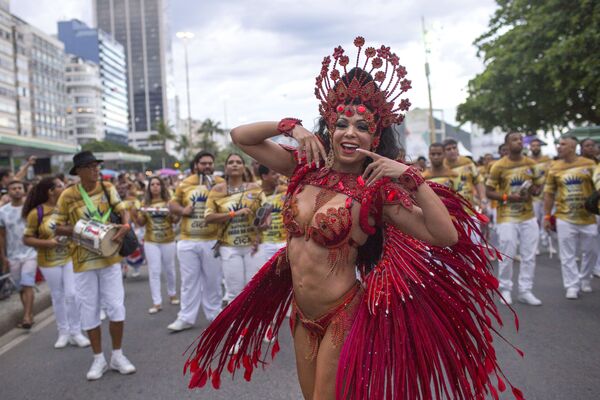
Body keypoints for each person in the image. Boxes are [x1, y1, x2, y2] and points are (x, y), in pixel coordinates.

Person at [184, 38, 522, 400]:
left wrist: (411, 178)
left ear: (375, 136)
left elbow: (444, 235)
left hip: (342, 313)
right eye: (341, 122)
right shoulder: (304, 168)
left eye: (362, 126)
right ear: (328, 126)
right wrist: (292, 127)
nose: (350, 132)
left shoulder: (375, 190)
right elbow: (241, 137)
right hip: (301, 313)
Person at [54, 151, 136, 380]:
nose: (95, 170)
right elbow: (57, 226)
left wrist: (125, 226)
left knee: (116, 307)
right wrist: (86, 231)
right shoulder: (67, 195)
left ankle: (118, 355)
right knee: (88, 310)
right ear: (78, 172)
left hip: (110, 257)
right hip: (83, 260)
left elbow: (122, 211)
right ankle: (98, 358)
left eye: (96, 166)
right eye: (90, 167)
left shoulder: (107, 188)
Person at [22, 177, 90, 348]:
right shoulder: (35, 213)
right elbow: (27, 239)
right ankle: (63, 332)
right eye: (60, 186)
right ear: (51, 191)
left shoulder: (68, 208)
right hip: (48, 261)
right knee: (57, 296)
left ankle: (76, 331)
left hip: (69, 256)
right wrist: (47, 243)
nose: (64, 187)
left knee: (72, 294)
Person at [167, 151, 224, 332]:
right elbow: (172, 204)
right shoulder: (185, 183)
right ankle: (186, 317)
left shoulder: (221, 184)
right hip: (187, 241)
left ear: (213, 165)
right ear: (197, 165)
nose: (207, 166)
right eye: (203, 163)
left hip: (212, 240)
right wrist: (183, 210)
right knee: (189, 281)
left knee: (213, 280)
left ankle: (215, 315)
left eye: (210, 163)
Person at [486, 132, 544, 306]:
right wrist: (507, 197)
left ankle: (525, 290)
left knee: (529, 255)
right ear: (507, 144)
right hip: (506, 217)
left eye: (520, 139)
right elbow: (489, 191)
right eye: (514, 140)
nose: (519, 142)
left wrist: (534, 190)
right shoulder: (498, 166)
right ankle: (505, 289)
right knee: (507, 254)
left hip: (528, 216)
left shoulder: (531, 164)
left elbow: (539, 186)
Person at [205, 154, 265, 305]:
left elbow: (266, 209)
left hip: (254, 246)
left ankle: (255, 327)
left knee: (255, 290)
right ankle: (236, 328)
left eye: (238, 162)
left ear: (244, 167)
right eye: (231, 162)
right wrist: (234, 213)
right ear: (225, 168)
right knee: (234, 292)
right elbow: (208, 217)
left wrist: (265, 223)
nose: (235, 165)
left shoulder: (254, 188)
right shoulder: (217, 190)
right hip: (229, 247)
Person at [544, 136, 597, 299]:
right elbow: (549, 193)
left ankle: (585, 279)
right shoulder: (554, 167)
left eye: (563, 144)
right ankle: (572, 285)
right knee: (567, 254)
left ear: (573, 147)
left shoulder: (589, 164)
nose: (559, 147)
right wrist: (547, 216)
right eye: (559, 144)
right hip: (564, 217)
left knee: (592, 251)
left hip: (588, 217)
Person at [130, 176, 179, 314]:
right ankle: (156, 302)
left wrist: (175, 212)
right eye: (152, 184)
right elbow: (141, 223)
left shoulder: (169, 202)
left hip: (168, 239)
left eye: (158, 184)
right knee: (154, 271)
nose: (155, 186)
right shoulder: (145, 204)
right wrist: (134, 214)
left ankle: (172, 294)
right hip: (151, 241)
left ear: (162, 186)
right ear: (149, 187)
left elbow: (175, 220)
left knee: (170, 269)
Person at [0, 180, 37, 329]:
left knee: (27, 283)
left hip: (31, 252)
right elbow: (1, 236)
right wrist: (3, 257)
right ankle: (29, 313)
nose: (16, 190)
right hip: (13, 255)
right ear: (8, 192)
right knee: (20, 287)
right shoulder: (2, 212)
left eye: (19, 188)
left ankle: (27, 316)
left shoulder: (30, 208)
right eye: (13, 188)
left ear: (23, 190)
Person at [443, 138, 489, 211]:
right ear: (443, 152)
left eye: (454, 148)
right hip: (450, 211)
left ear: (458, 149)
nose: (452, 151)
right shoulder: (441, 167)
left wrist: (483, 199)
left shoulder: (467, 162)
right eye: (448, 149)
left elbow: (478, 181)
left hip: (470, 207)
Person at [529, 138, 554, 255]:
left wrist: (544, 187)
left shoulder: (548, 160)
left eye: (537, 145)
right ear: (530, 147)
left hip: (547, 194)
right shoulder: (527, 161)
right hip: (534, 196)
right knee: (535, 220)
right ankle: (536, 245)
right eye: (533, 146)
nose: (535, 148)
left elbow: (551, 175)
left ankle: (550, 245)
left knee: (547, 218)